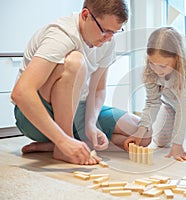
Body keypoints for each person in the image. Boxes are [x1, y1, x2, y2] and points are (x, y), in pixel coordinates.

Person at [11, 0, 147, 165]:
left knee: (142, 134)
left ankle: (59, 143)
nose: (109, 38)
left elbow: (98, 89)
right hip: (35, 116)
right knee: (76, 61)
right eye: (105, 31)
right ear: (85, 15)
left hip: (76, 110)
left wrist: (90, 124)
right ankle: (63, 144)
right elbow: (21, 92)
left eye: (115, 32)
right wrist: (63, 141)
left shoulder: (107, 41)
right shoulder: (61, 35)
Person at [124, 27, 186, 161]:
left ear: (177, 58)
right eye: (152, 63)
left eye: (163, 66)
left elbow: (184, 108)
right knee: (161, 141)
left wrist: (177, 145)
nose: (157, 70)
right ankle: (178, 129)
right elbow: (152, 102)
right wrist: (140, 132)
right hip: (171, 104)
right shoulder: (151, 70)